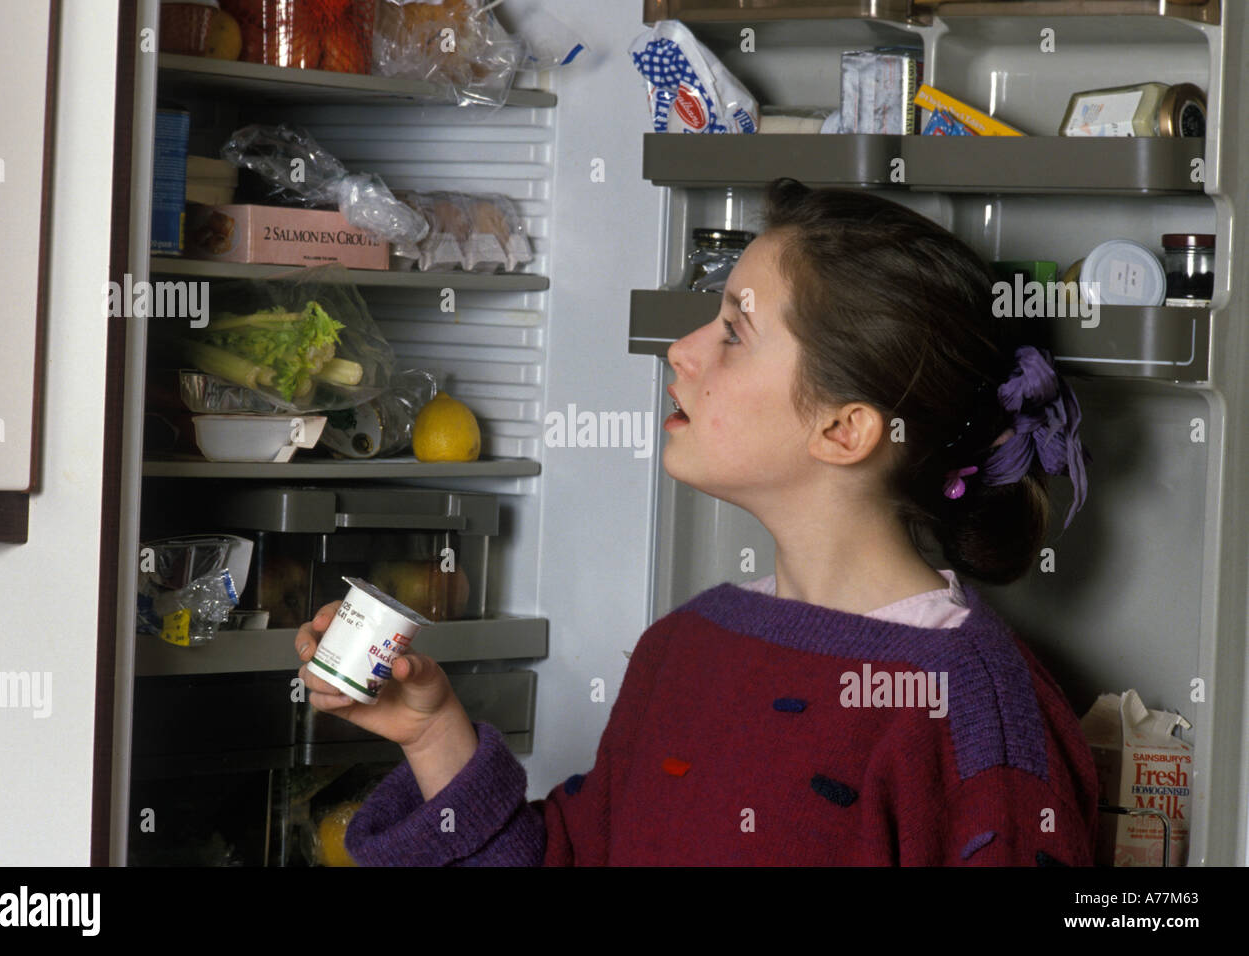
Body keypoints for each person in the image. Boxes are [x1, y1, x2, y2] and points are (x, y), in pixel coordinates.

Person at [294, 178, 1099, 866]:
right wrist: (433, 734)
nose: (680, 351)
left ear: (843, 430)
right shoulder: (685, 647)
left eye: (733, 332)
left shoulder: (971, 706)